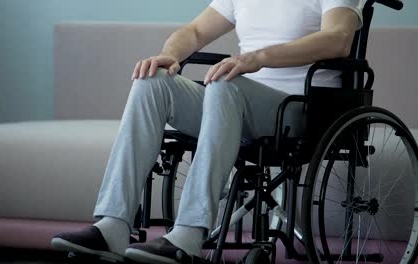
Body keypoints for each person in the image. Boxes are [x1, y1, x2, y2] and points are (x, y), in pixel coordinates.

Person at [51, 0, 362, 263]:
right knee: (152, 81)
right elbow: (195, 31)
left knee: (225, 83)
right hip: (234, 100)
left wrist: (256, 58)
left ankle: (187, 234)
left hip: (298, 109)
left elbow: (338, 38)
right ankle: (112, 226)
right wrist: (171, 54)